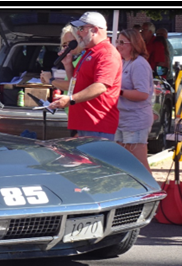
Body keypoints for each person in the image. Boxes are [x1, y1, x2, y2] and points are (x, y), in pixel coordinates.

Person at [48, 12, 122, 141]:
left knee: (96, 161)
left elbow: (100, 86)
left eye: (81, 29)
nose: (78, 33)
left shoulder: (106, 53)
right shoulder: (90, 52)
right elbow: (75, 85)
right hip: (84, 123)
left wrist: (70, 99)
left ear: (94, 30)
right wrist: (68, 65)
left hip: (97, 124)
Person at [115, 29, 154, 172]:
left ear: (133, 44)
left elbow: (142, 93)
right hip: (121, 118)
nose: (118, 46)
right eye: (117, 41)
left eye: (122, 42)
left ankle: (153, 192)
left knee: (139, 165)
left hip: (135, 119)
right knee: (121, 163)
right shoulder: (123, 62)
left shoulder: (139, 64)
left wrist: (119, 92)